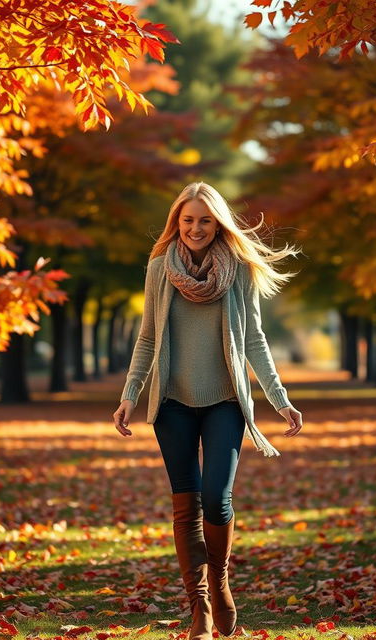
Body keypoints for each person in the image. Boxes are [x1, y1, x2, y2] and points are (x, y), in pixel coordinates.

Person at [112, 182, 304, 640]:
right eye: (188, 220)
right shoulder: (160, 268)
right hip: (172, 403)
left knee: (218, 500)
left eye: (205, 220)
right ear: (176, 223)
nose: (196, 228)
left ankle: (218, 581)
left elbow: (254, 339)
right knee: (186, 507)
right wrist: (129, 394)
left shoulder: (237, 270)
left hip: (225, 400)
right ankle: (198, 605)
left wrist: (279, 399)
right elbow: (147, 338)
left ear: (217, 223)